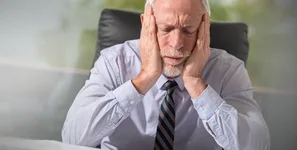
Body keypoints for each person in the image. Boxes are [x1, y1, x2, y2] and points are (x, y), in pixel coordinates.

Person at [61, 0, 270, 149]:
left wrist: (195, 83)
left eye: (188, 30)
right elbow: (72, 137)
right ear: (146, 24)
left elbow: (257, 146)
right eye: (166, 29)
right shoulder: (114, 62)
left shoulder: (228, 70)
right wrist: (144, 78)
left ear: (205, 27)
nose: (177, 43)